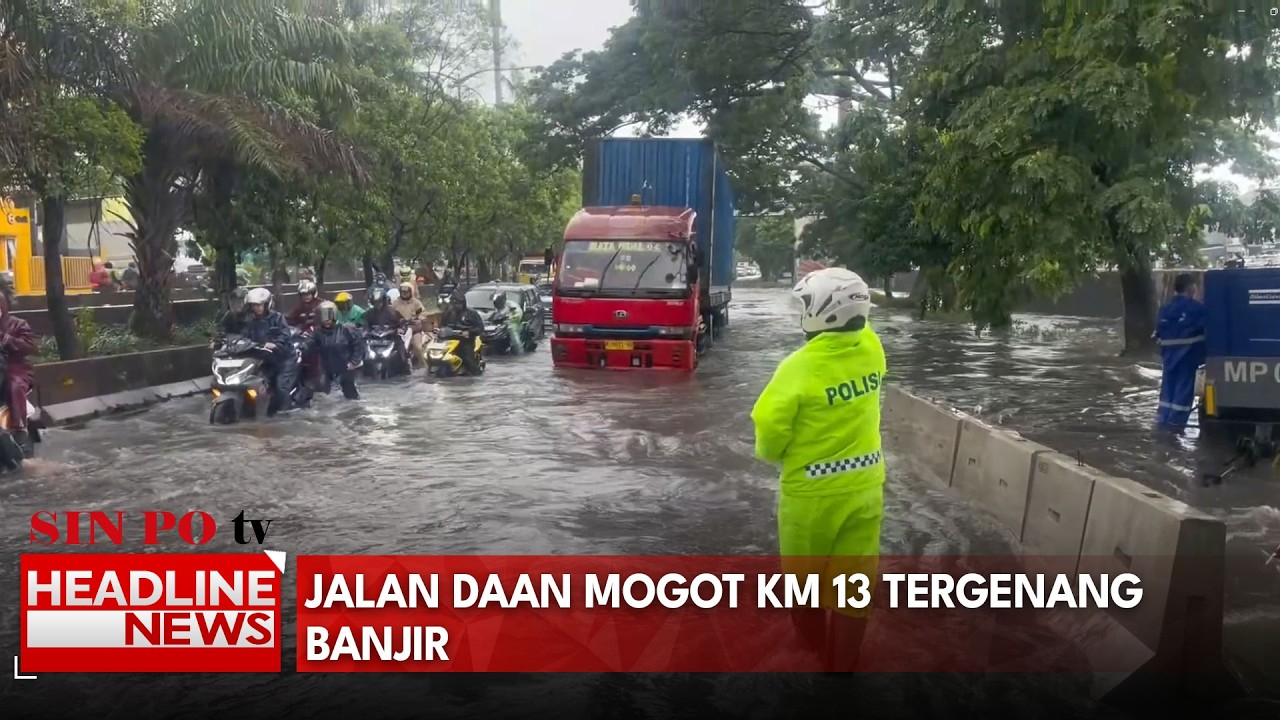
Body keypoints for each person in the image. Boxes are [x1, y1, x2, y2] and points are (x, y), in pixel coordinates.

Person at [750, 268, 886, 673]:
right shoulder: (873, 347)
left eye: (807, 305)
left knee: (804, 587)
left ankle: (808, 658)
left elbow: (769, 428)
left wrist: (772, 453)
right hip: (866, 488)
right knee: (854, 587)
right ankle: (842, 670)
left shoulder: (798, 367)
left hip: (809, 498)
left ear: (822, 312)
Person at [1155, 273, 1207, 428]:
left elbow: (1158, 333)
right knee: (1183, 395)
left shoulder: (1165, 309)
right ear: (1191, 289)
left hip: (1168, 358)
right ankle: (1176, 430)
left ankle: (1162, 425)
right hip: (1188, 357)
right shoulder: (1197, 309)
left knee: (1167, 393)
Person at [242, 287, 304, 413]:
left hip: (284, 359)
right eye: (254, 305)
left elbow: (285, 335)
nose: (257, 308)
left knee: (281, 387)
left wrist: (275, 344)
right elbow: (243, 335)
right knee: (253, 383)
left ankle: (286, 412)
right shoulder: (250, 320)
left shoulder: (277, 318)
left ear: (267, 304)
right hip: (263, 360)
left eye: (260, 305)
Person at [0, 294, 37, 457]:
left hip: (15, 368)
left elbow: (30, 347)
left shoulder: (18, 324)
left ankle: (19, 427)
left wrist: (7, 340)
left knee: (13, 385)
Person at [305, 301, 364, 400]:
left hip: (346, 368)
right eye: (324, 318)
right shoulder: (317, 333)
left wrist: (353, 362)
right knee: (326, 396)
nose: (327, 321)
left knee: (351, 395)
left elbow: (358, 346)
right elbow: (309, 345)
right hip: (327, 368)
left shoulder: (347, 329)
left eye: (329, 317)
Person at [440, 293, 485, 375]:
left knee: (468, 359)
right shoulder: (448, 313)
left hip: (466, 341)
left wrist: (469, 332)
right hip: (449, 340)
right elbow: (443, 325)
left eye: (457, 304)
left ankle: (476, 373)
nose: (455, 306)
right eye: (453, 304)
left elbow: (480, 328)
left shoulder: (472, 314)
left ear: (463, 303)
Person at [392, 281, 431, 367]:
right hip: (400, 328)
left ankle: (425, 366)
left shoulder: (416, 302)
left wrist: (419, 318)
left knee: (418, 347)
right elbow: (391, 313)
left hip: (414, 329)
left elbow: (423, 313)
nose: (404, 293)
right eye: (402, 291)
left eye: (406, 291)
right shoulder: (396, 302)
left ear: (411, 292)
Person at [492, 290, 524, 354]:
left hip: (513, 323)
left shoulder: (511, 305)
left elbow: (519, 312)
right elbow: (495, 314)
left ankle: (518, 350)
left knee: (512, 331)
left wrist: (512, 317)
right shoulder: (497, 307)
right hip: (501, 324)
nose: (498, 304)